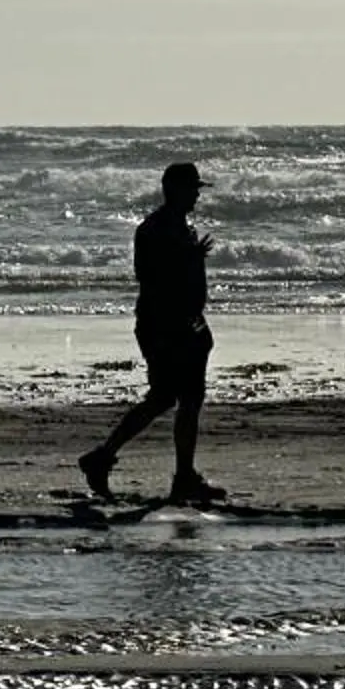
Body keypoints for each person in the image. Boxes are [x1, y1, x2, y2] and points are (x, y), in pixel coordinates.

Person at [79, 161, 224, 506]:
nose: (196, 197)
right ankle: (107, 458)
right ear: (173, 189)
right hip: (163, 325)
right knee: (167, 398)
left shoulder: (182, 227)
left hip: (187, 323)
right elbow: (148, 276)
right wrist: (187, 258)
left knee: (184, 399)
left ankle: (179, 475)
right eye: (191, 189)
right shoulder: (154, 229)